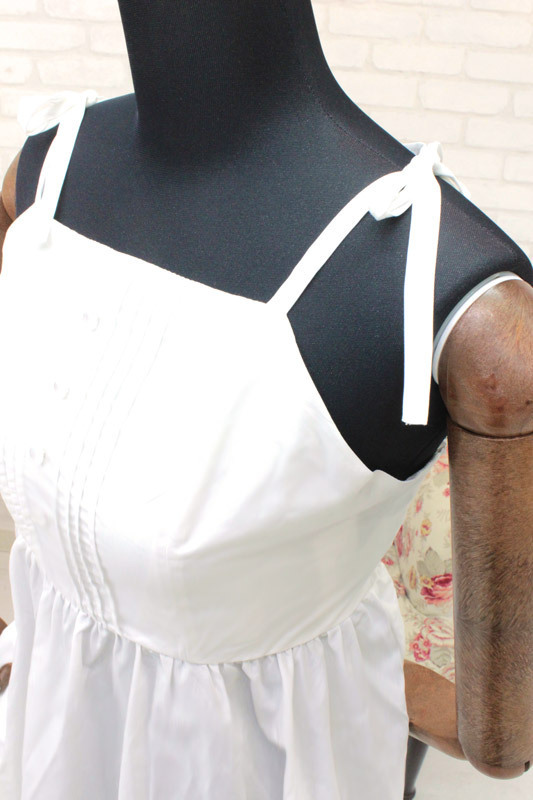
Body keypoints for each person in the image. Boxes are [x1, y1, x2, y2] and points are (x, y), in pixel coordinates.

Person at [0, 1, 533, 797]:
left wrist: (394, 689)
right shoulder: (45, 174)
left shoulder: (454, 304)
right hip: (50, 732)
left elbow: (498, 741)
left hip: (255, 768)